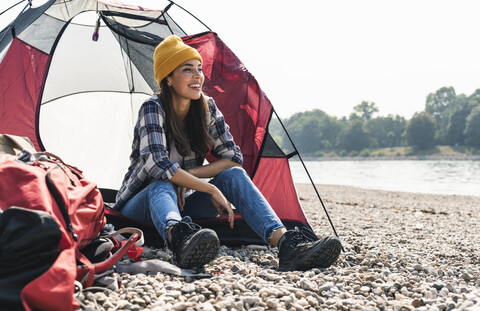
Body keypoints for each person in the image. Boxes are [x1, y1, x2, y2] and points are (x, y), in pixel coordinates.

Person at [114, 35, 342, 271]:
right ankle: (180, 242)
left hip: (182, 204)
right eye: (187, 69)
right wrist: (209, 187)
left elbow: (233, 159)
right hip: (140, 206)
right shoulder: (153, 107)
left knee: (234, 175)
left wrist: (187, 177)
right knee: (161, 184)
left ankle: (287, 245)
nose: (197, 76)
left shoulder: (206, 106)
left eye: (199, 69)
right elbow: (157, 166)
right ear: (168, 79)